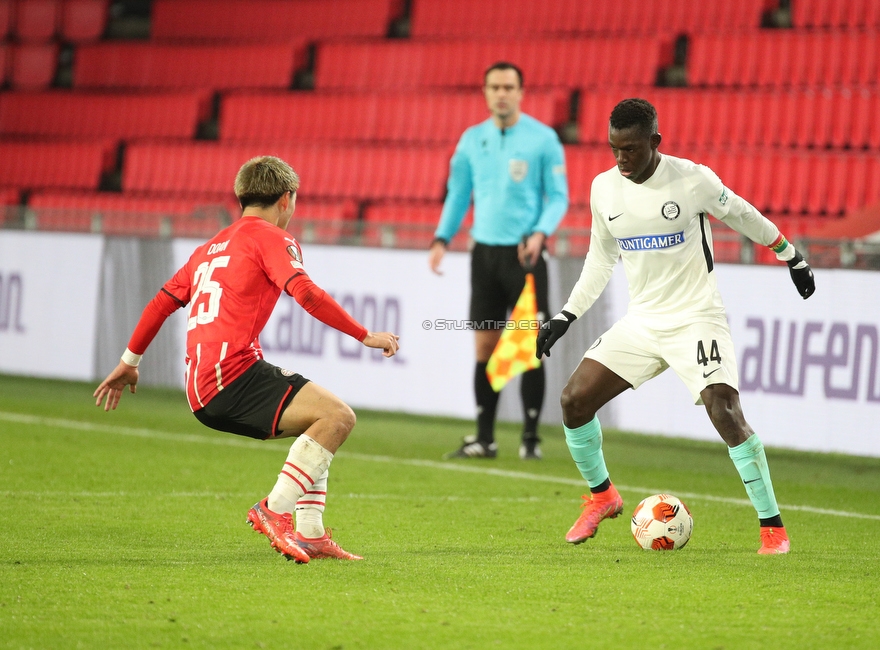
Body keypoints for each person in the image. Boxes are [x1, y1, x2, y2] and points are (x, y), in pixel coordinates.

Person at [535, 99, 816, 554]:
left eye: (629, 149)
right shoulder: (604, 189)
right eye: (614, 149)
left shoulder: (692, 180)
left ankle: (773, 529)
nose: (621, 159)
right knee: (574, 400)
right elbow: (601, 258)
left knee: (724, 410)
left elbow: (742, 213)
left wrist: (789, 253)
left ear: (654, 142)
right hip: (643, 321)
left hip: (696, 317)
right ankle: (602, 496)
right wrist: (567, 315)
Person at [94, 156, 399, 564]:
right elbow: (305, 293)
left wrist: (130, 360)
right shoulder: (272, 237)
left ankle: (310, 533)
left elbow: (161, 302)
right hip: (231, 375)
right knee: (339, 418)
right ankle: (274, 510)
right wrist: (365, 335)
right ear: (287, 199)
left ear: (242, 197)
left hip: (202, 387)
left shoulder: (207, 249)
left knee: (319, 421)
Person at [429, 61, 569, 460]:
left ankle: (530, 440)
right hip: (484, 255)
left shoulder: (543, 140)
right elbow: (458, 195)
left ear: (521, 92)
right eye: (494, 87)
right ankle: (484, 438)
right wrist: (442, 237)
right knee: (485, 347)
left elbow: (559, 196)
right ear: (485, 92)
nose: (501, 93)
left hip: (525, 256)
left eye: (509, 86)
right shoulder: (472, 140)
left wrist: (541, 232)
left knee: (528, 347)